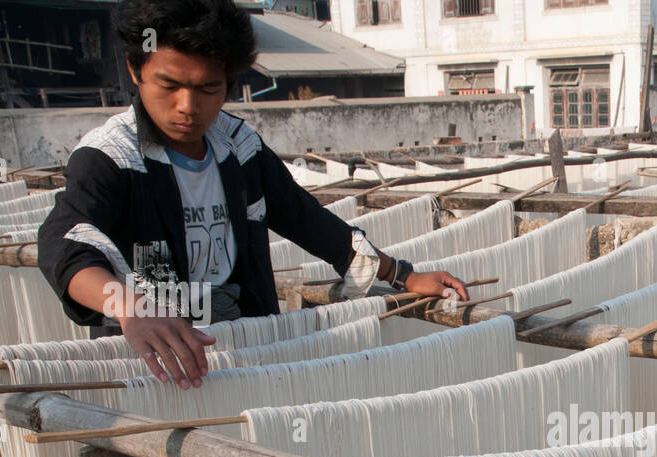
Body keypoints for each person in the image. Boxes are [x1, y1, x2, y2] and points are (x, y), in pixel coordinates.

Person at [38, 0, 468, 391]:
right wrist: (130, 308)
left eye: (209, 89)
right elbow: (66, 241)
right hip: (154, 351)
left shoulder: (237, 148)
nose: (188, 106)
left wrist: (402, 275)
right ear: (135, 71)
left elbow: (305, 219)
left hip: (242, 338)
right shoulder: (113, 156)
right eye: (168, 85)